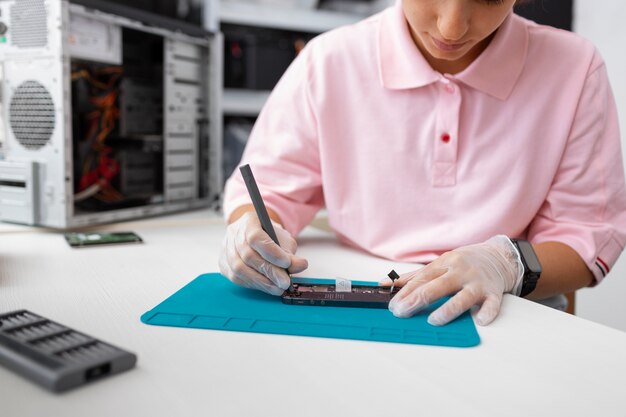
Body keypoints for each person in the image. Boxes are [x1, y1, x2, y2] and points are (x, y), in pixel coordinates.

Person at [219, 0, 626, 326]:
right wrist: (252, 231)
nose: (452, 28)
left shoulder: (574, 69)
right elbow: (268, 190)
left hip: (503, 313)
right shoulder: (328, 61)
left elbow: (589, 234)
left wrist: (508, 264)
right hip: (352, 299)